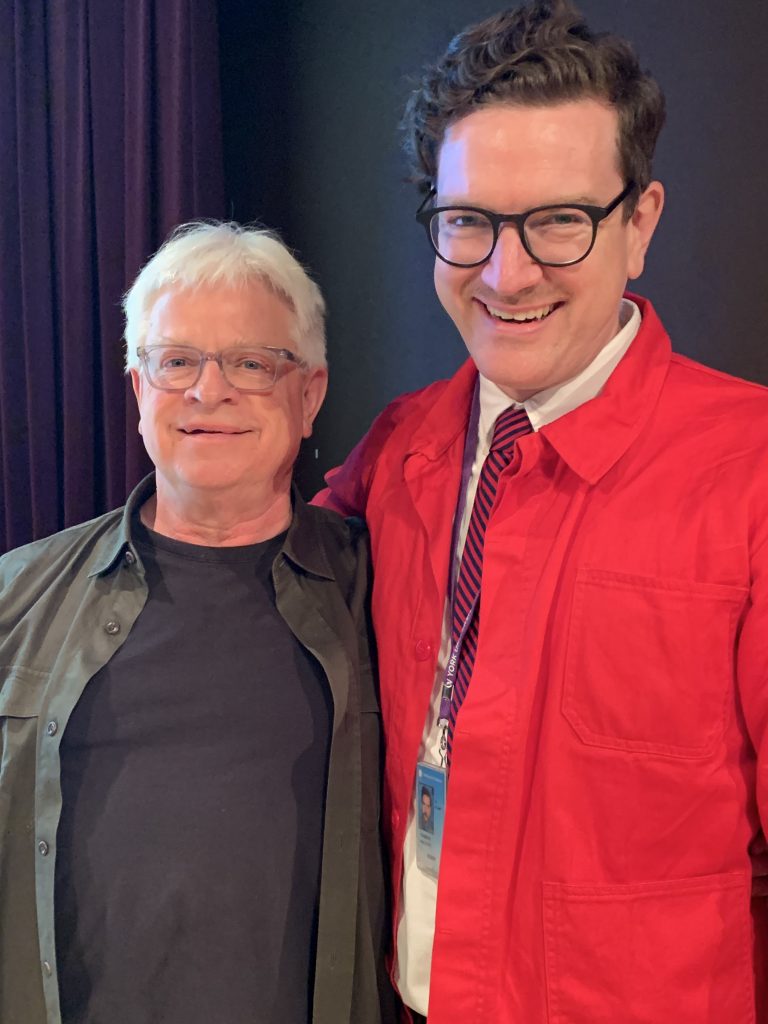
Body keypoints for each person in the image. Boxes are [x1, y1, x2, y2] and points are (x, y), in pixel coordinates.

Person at [316, 1, 768, 1021]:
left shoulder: (751, 473)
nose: (505, 273)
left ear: (640, 221)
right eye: (467, 221)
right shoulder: (401, 448)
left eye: (559, 220)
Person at [0, 222, 396, 1024]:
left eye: (251, 363)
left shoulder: (386, 596)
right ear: (141, 390)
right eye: (176, 361)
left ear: (310, 393)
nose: (207, 391)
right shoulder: (15, 599)